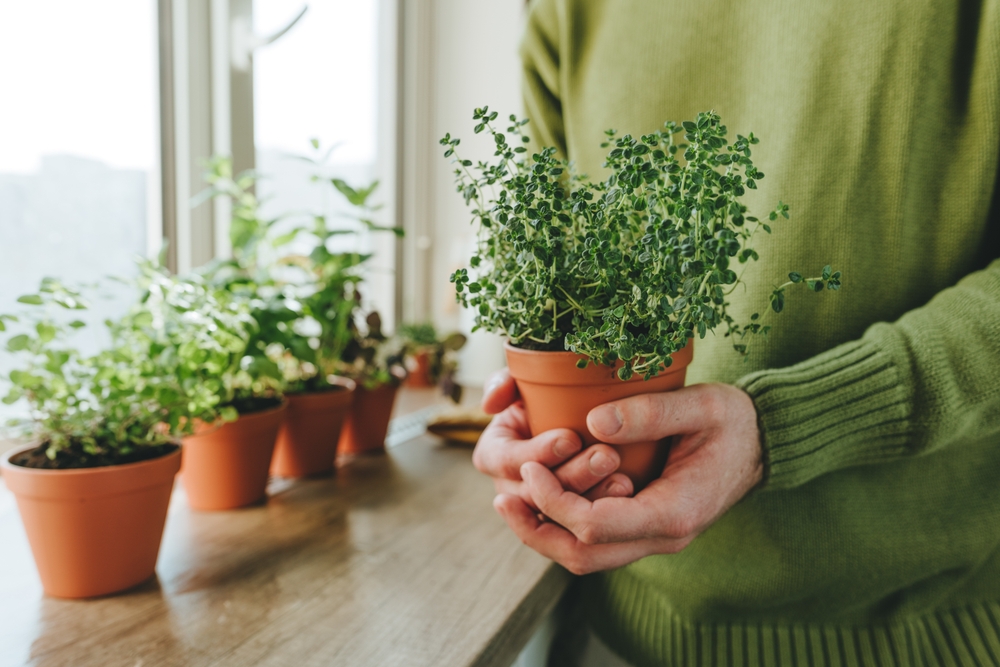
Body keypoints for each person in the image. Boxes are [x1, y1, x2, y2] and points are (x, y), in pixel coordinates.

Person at [472, 1, 1000, 665]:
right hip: (615, 625)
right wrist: (534, 426)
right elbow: (551, 269)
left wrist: (778, 426)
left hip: (916, 629)